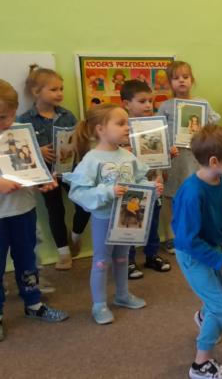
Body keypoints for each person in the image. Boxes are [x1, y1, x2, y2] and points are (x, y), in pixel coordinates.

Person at [64, 104, 163, 325]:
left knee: (122, 258)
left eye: (127, 123)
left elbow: (138, 181)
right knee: (101, 261)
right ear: (100, 129)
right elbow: (78, 192)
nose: (127, 128)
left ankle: (122, 295)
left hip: (127, 218)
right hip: (104, 218)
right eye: (120, 123)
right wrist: (107, 191)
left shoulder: (127, 155)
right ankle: (99, 304)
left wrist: (151, 188)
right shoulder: (92, 159)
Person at [171, 125, 222, 379]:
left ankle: (204, 318)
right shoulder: (192, 193)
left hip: (216, 250)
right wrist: (219, 259)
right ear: (214, 161)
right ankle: (201, 364)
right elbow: (187, 241)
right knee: (220, 305)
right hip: (193, 255)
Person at [0, 79, 69, 341]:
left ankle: (33, 303)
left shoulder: (20, 132)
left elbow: (32, 167)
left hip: (23, 210)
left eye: (7, 116)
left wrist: (43, 180)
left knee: (27, 260)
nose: (4, 122)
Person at [17, 64, 91, 270]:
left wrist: (76, 145)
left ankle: (75, 235)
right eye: (54, 89)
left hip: (69, 169)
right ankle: (63, 252)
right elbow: (19, 150)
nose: (59, 93)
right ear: (36, 92)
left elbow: (78, 139)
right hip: (45, 173)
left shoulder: (67, 115)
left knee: (85, 203)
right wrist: (38, 151)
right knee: (55, 210)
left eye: (61, 89)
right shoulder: (25, 120)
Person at [156, 61, 221, 254]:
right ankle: (170, 237)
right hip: (175, 158)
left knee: (196, 193)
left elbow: (213, 123)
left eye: (185, 77)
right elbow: (158, 130)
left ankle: (197, 233)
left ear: (192, 80)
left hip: (196, 157)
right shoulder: (166, 106)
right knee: (171, 196)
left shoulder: (202, 103)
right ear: (170, 83)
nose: (181, 81)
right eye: (176, 78)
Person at [122, 79, 174, 278]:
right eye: (142, 101)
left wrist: (168, 154)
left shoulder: (155, 125)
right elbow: (113, 152)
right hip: (132, 186)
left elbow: (158, 153)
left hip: (154, 183)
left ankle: (152, 255)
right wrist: (125, 151)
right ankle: (128, 260)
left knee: (153, 221)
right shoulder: (122, 127)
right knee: (131, 221)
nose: (148, 105)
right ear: (127, 104)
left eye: (150, 101)